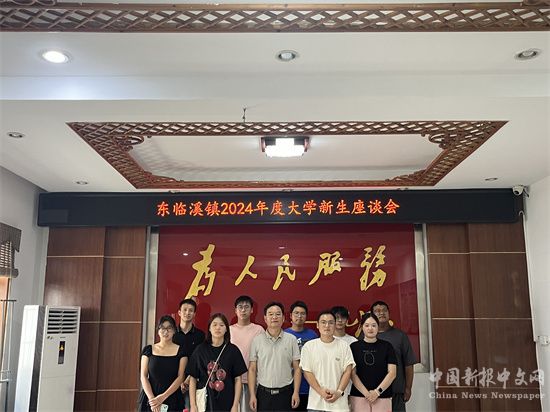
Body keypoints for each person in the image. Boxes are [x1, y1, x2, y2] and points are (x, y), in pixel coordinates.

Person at [187, 313, 248, 412]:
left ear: (226, 329)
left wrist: (235, 405)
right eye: (214, 325)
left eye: (221, 325)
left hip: (227, 402)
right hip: (205, 402)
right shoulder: (200, 350)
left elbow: (238, 379)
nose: (218, 328)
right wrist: (193, 405)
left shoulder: (233, 350)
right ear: (209, 329)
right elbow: (193, 378)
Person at [248, 301, 301, 412]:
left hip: (286, 394)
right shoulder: (257, 340)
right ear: (265, 318)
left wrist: (296, 392)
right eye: (271, 314)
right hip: (263, 395)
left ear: (283, 318)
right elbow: (252, 369)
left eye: (278, 314)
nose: (274, 317)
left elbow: (297, 368)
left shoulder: (291, 340)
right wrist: (252, 394)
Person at [299, 310, 355, 412]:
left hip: (339, 405)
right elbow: (307, 372)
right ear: (317, 325)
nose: (327, 326)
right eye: (323, 322)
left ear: (335, 325)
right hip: (315, 404)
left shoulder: (344, 346)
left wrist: (339, 392)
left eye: (331, 322)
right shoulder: (309, 346)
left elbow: (348, 371)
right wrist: (320, 391)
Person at [371, 301, 416, 412]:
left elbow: (408, 364)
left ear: (389, 313)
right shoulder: (366, 336)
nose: (381, 313)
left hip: (396, 391)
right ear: (372, 315)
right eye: (377, 311)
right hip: (372, 393)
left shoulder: (400, 336)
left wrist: (408, 388)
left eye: (384, 310)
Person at [350, 312, 397, 412]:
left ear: (378, 327)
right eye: (367, 325)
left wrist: (377, 392)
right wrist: (366, 393)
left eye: (373, 325)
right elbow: (352, 374)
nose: (370, 328)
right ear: (362, 327)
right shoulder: (354, 347)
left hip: (383, 396)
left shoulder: (387, 346)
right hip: (359, 396)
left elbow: (392, 373)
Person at [139, 315, 187, 412]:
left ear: (174, 331)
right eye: (162, 328)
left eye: (169, 328)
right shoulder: (148, 350)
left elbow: (181, 377)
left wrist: (162, 397)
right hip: (150, 399)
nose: (166, 332)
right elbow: (143, 376)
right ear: (158, 331)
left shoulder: (182, 351)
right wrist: (152, 399)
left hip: (173, 398)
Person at [230, 295, 264, 412]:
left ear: (252, 310)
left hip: (253, 382)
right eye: (240, 307)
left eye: (246, 307)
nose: (243, 310)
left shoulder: (259, 330)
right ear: (235, 310)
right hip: (232, 381)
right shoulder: (229, 330)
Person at [284, 300, 318, 411]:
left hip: (309, 387)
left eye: (302, 313)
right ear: (290, 316)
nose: (299, 316)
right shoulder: (284, 334)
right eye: (296, 313)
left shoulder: (313, 335)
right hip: (288, 387)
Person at [173, 298, 206, 409]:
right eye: (185, 310)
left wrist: (187, 380)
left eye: (191, 310)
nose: (187, 313)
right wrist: (179, 381)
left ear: (194, 314)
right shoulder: (172, 334)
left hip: (193, 381)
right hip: (172, 381)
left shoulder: (200, 336)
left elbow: (200, 360)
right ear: (179, 312)